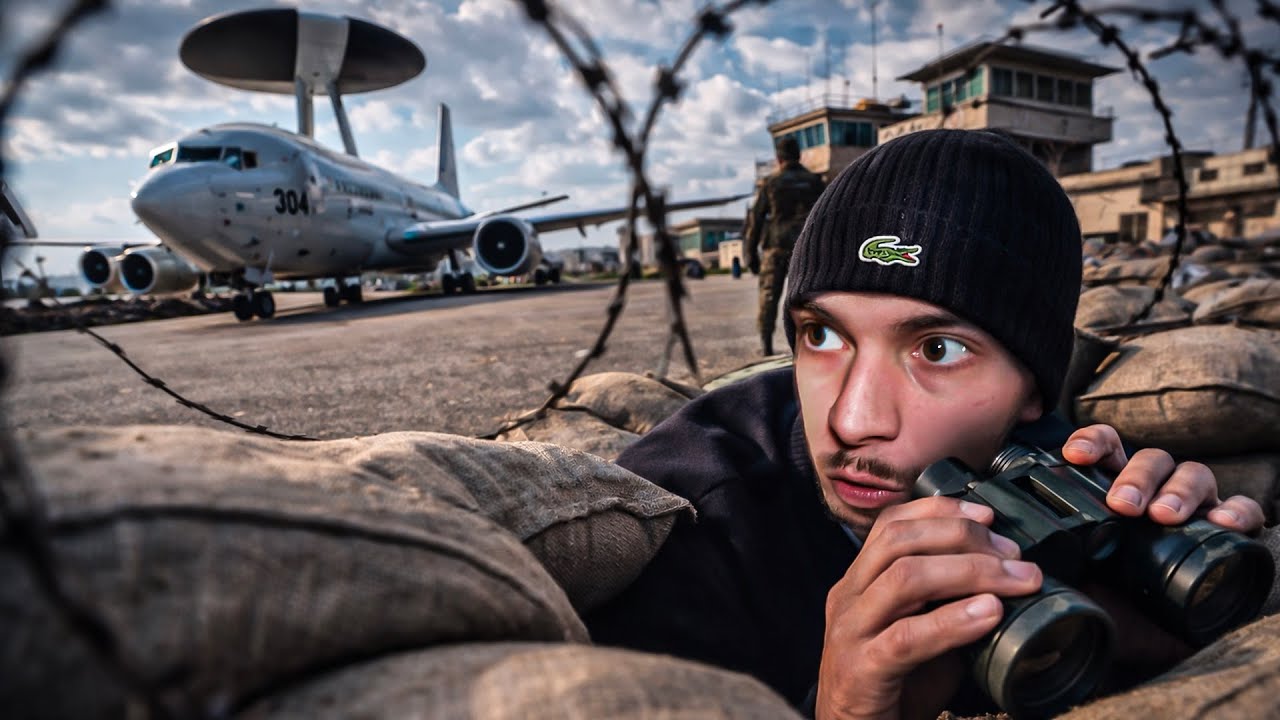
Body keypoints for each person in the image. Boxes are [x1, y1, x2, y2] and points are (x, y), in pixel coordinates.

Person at [583, 129, 1266, 718]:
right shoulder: (689, 519)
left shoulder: (1059, 464)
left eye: (937, 350)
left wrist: (1170, 594)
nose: (853, 421)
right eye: (821, 335)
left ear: (1033, 392)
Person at [743, 135, 825, 356]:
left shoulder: (771, 183)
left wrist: (750, 253)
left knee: (769, 296)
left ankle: (767, 345)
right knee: (807, 298)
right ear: (799, 155)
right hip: (806, 248)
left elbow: (756, 220)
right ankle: (811, 344)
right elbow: (826, 216)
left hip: (776, 248)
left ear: (779, 158)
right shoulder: (815, 182)